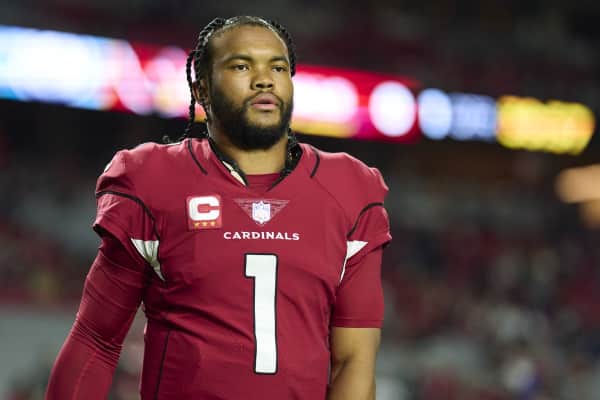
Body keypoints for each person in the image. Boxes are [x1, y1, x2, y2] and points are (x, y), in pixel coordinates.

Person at [46, 16, 391, 400]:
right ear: (202, 89)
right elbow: (96, 339)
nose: (264, 80)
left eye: (277, 67)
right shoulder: (154, 180)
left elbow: (354, 361)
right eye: (242, 66)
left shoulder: (348, 189)